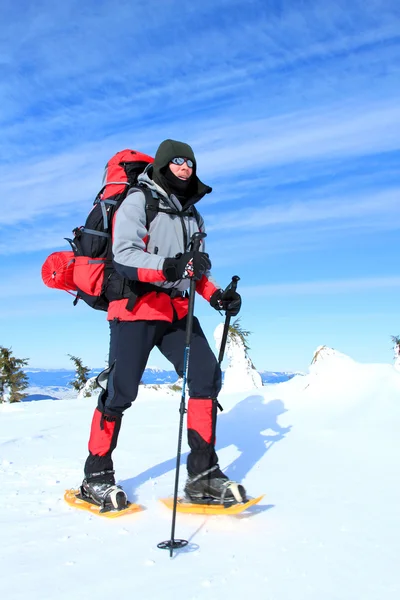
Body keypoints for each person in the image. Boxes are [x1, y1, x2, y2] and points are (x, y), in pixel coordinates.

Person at [80, 139, 244, 510]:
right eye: (179, 162)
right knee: (120, 393)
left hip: (177, 312)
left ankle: (203, 475)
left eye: (191, 162)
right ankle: (96, 475)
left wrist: (217, 296)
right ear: (165, 165)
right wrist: (169, 267)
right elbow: (124, 255)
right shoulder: (140, 200)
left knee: (206, 377)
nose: (186, 168)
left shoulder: (192, 214)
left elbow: (195, 268)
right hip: (136, 307)